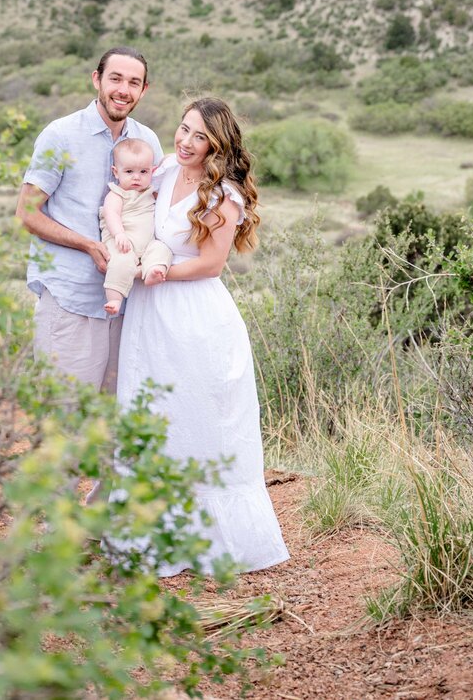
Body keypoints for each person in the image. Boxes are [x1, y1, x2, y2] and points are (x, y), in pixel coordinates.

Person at [116, 97, 289, 577]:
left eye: (199, 136)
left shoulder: (224, 195)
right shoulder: (166, 170)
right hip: (148, 314)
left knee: (199, 417)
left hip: (193, 314)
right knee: (153, 411)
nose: (186, 141)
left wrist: (160, 273)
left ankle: (214, 544)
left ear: (217, 143)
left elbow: (212, 264)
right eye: (184, 129)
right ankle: (150, 536)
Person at [16, 47, 163, 394]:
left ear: (144, 90)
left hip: (128, 305)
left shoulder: (148, 142)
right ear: (97, 79)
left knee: (112, 423)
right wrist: (88, 245)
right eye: (115, 78)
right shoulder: (60, 135)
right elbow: (27, 212)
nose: (123, 90)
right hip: (71, 299)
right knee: (64, 419)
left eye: (133, 82)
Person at [100, 138, 172, 316]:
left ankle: (154, 271)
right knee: (120, 263)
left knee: (162, 249)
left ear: (152, 171)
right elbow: (112, 214)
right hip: (122, 243)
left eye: (143, 171)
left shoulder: (150, 193)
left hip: (147, 244)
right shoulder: (117, 194)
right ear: (116, 172)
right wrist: (119, 234)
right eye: (129, 171)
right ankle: (114, 299)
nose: (137, 177)